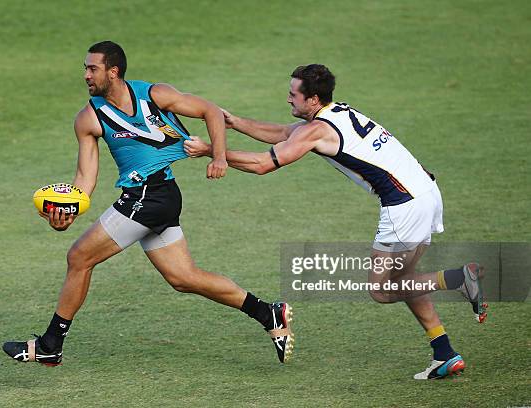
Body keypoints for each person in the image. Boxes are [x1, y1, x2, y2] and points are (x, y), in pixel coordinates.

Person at [183, 64, 487, 379]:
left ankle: (458, 279)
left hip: (404, 206)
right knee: (404, 277)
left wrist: (211, 150)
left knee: (382, 289)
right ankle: (444, 352)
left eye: (293, 94)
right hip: (425, 192)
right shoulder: (335, 112)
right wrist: (234, 122)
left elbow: (263, 164)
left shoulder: (318, 130)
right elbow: (286, 133)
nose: (288, 99)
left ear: (312, 99)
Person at [2, 41, 294, 366]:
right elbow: (85, 179)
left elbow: (210, 110)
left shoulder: (154, 95)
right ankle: (268, 314)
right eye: (85, 68)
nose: (85, 75)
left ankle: (50, 344)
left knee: (79, 257)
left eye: (92, 68)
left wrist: (220, 157)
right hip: (153, 198)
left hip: (151, 195)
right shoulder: (89, 118)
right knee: (183, 278)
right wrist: (69, 210)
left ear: (113, 71)